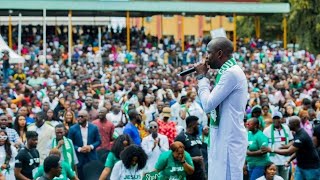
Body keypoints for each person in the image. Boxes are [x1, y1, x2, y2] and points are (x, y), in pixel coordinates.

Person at [195, 37, 248, 179]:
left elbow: (207, 104)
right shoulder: (227, 72)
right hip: (222, 137)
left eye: (209, 53)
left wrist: (201, 78)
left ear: (219, 54)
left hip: (229, 140)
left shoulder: (231, 73)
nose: (206, 57)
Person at [68, 110, 101, 180]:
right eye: (78, 116)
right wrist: (79, 149)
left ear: (87, 117)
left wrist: (90, 147)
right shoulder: (72, 129)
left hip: (91, 157)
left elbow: (98, 141)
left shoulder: (94, 128)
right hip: (79, 158)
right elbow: (69, 143)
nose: (79, 118)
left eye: (82, 117)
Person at [263, 111, 293, 180]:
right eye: (274, 118)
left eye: (278, 118)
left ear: (281, 119)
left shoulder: (286, 128)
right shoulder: (266, 130)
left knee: (284, 178)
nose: (276, 120)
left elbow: (292, 141)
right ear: (272, 119)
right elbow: (264, 146)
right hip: (273, 161)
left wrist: (287, 146)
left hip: (285, 160)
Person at [175, 116, 206, 180]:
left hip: (199, 173)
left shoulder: (196, 137)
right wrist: (193, 159)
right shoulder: (181, 137)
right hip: (187, 173)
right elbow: (175, 156)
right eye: (197, 124)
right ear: (192, 125)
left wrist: (204, 172)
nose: (199, 126)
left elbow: (200, 154)